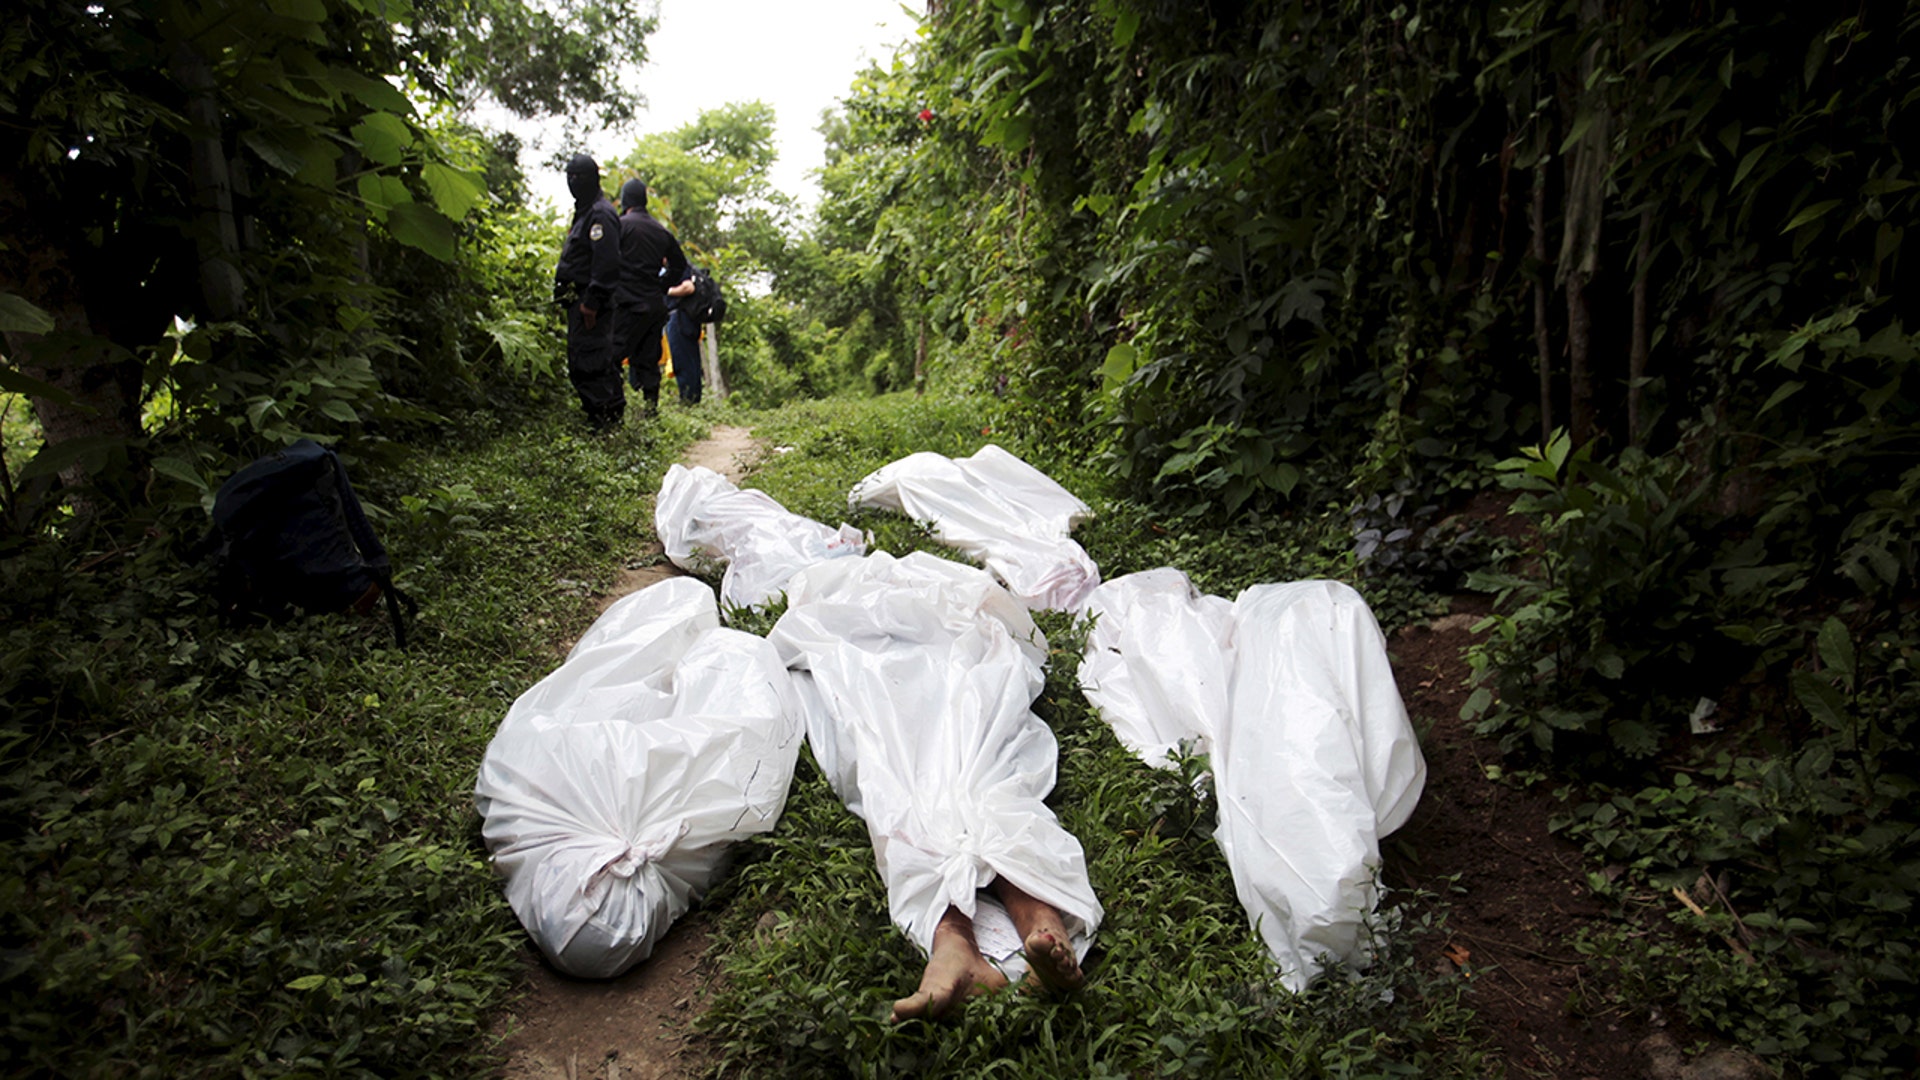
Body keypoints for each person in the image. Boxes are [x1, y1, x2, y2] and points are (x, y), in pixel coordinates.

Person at [552, 154, 624, 430]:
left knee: (590, 362)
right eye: (569, 176)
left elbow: (606, 263)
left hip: (591, 304)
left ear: (593, 179)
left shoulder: (600, 214)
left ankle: (605, 424)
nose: (573, 182)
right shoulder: (585, 213)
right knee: (588, 360)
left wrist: (592, 301)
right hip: (580, 301)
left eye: (579, 176)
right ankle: (607, 422)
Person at [609, 179, 691, 417]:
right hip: (653, 306)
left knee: (612, 358)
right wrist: (661, 285)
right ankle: (650, 414)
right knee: (648, 361)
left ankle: (614, 413)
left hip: (626, 304)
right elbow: (680, 264)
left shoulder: (620, 226)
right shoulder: (661, 231)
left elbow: (605, 260)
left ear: (625, 201)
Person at [664, 298, 703, 406]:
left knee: (682, 362)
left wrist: (667, 290)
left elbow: (687, 286)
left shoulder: (680, 281)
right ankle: (693, 401)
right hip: (686, 317)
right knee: (691, 361)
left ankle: (688, 402)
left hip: (680, 317)